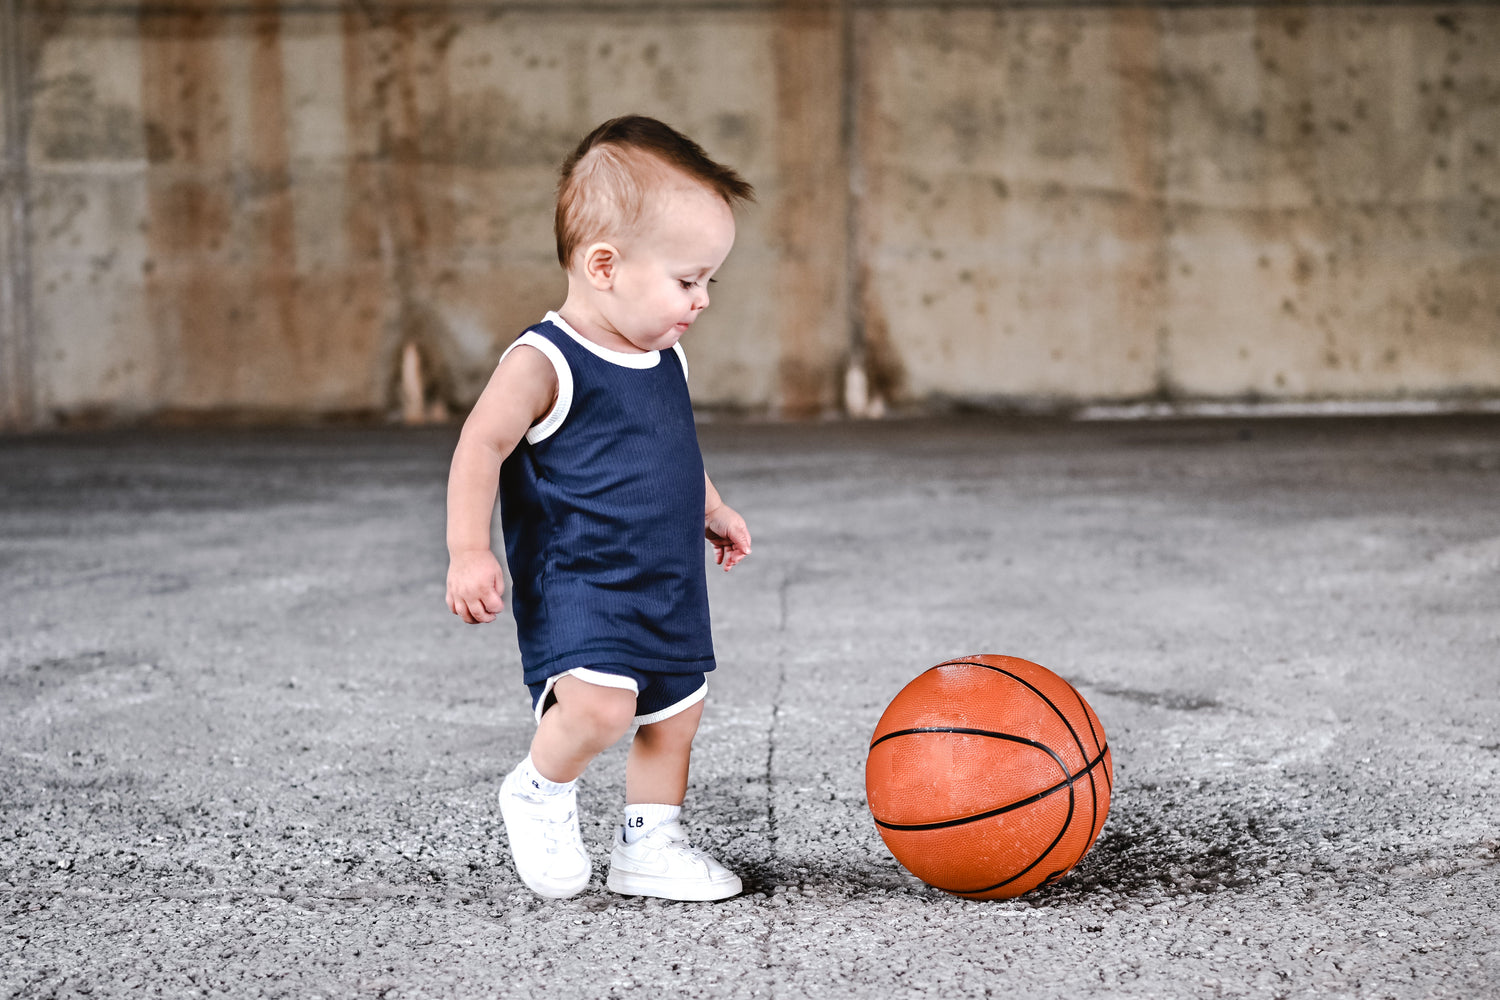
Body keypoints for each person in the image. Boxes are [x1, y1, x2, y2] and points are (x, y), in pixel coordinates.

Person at [444, 115, 754, 901]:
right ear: (604, 265)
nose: (702, 300)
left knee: (676, 712)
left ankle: (650, 843)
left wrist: (713, 506)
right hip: (582, 578)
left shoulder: (665, 357)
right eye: (688, 281)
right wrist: (469, 551)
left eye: (709, 282)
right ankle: (538, 791)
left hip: (667, 580)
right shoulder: (545, 360)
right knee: (602, 708)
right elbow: (481, 445)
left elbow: (672, 449)